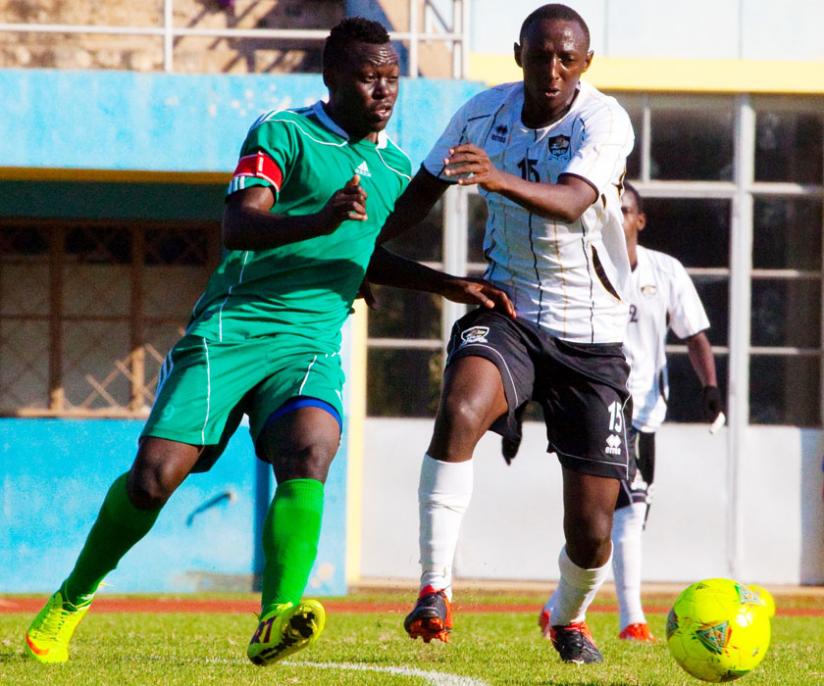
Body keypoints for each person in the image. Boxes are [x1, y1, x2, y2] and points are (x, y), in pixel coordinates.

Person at [23, 17, 512, 668]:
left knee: (311, 447)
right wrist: (321, 217)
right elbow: (239, 224)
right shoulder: (282, 132)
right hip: (235, 326)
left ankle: (277, 615)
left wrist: (447, 285)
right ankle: (70, 601)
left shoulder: (393, 165)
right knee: (153, 479)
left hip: (308, 341)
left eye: (392, 79)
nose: (383, 91)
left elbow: (362, 255)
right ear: (332, 78)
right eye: (369, 78)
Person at [369, 3, 635, 665]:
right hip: (510, 311)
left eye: (566, 57)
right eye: (539, 54)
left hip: (591, 337)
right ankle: (434, 589)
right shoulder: (481, 113)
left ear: (586, 63)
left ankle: (567, 618)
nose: (551, 69)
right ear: (518, 53)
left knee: (593, 532)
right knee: (459, 408)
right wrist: (359, 242)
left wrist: (496, 178)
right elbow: (420, 194)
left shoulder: (603, 120)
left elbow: (574, 200)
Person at [609, 182, 724, 642]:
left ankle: (559, 605)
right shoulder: (588, 264)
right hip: (601, 402)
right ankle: (631, 620)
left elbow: (694, 334)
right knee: (627, 511)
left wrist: (711, 387)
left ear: (640, 219)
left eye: (625, 210)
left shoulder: (666, 271)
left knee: (614, 518)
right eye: (610, 210)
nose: (617, 218)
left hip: (646, 410)